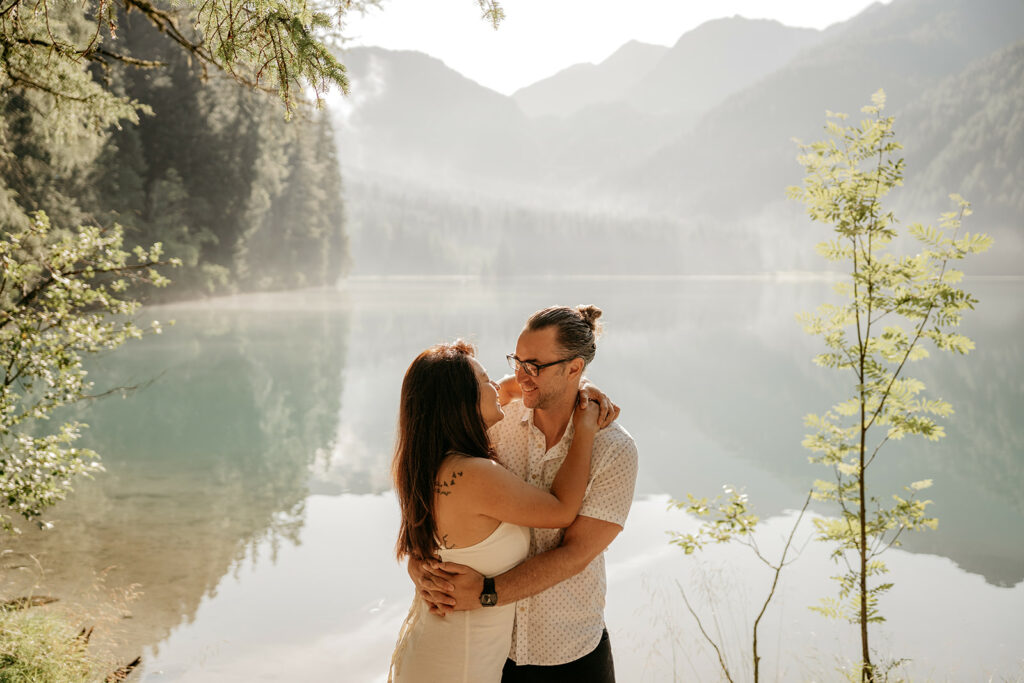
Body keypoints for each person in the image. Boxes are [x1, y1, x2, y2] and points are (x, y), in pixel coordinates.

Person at [414, 305, 639, 682]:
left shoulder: (614, 450)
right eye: (517, 361)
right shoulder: (494, 425)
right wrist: (418, 563)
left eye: (533, 366)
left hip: (570, 655)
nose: (521, 375)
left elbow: (575, 554)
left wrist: (486, 592)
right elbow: (436, 502)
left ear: (574, 368)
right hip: (490, 654)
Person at [388, 339, 603, 683]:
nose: (498, 387)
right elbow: (562, 510)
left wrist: (577, 383)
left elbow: (508, 389)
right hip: (457, 667)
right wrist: (586, 428)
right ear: (462, 402)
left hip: (440, 653)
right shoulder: (474, 474)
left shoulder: (429, 464)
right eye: (485, 379)